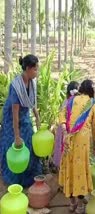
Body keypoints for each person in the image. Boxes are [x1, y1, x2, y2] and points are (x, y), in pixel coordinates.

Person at [0, 54, 42, 187]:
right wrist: (17, 137)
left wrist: (37, 117)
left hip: (23, 114)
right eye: (35, 69)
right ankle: (14, 179)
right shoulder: (16, 86)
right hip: (11, 117)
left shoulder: (32, 82)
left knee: (29, 139)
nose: (37, 72)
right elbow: (15, 115)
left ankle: (29, 176)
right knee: (14, 145)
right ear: (28, 69)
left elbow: (32, 101)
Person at [58, 80, 95, 214]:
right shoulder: (92, 104)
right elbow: (94, 128)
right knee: (80, 171)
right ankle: (80, 206)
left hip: (69, 139)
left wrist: (64, 131)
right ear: (91, 91)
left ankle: (72, 203)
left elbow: (61, 115)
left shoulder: (71, 100)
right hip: (82, 143)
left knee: (70, 169)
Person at [53, 81, 79, 168]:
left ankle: (62, 167)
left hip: (62, 129)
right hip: (67, 129)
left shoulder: (66, 101)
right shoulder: (72, 103)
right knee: (66, 148)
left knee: (62, 148)